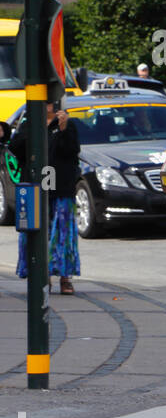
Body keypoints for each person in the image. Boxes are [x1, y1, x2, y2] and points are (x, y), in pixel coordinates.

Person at [13, 102, 82, 295]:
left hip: (61, 187)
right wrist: (32, 127)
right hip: (35, 186)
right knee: (33, 232)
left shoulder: (69, 124)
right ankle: (41, 276)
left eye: (51, 101)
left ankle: (65, 277)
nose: (48, 105)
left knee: (62, 233)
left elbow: (71, 151)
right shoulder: (30, 124)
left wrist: (62, 129)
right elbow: (17, 149)